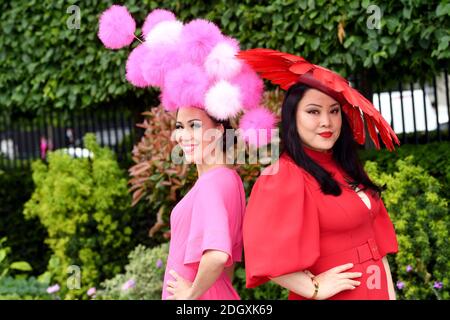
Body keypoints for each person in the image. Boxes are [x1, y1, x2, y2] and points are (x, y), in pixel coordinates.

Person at [98, 7, 276, 300]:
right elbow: (227, 266)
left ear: (218, 131)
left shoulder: (211, 183)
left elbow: (218, 255)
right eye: (180, 126)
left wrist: (190, 294)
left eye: (195, 126)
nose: (183, 135)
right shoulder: (229, 179)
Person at [238, 49, 400, 300]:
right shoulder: (283, 176)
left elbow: (377, 250)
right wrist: (314, 289)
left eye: (334, 111)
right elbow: (264, 252)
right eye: (314, 111)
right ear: (293, 117)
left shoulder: (347, 166)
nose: (327, 121)